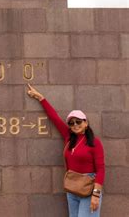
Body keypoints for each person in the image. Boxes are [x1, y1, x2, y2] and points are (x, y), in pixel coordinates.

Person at [26, 84, 105, 217]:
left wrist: (96, 194)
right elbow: (55, 118)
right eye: (71, 123)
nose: (75, 125)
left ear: (86, 123)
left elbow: (101, 169)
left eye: (78, 122)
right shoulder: (69, 137)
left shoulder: (95, 143)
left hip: (89, 186)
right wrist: (41, 98)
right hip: (72, 187)